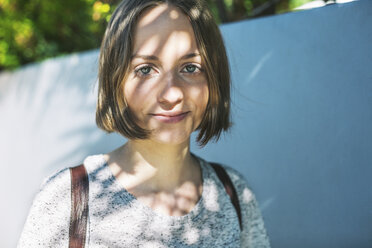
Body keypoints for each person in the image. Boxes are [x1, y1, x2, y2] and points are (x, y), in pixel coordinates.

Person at [18, 0, 270, 247]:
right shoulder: (66, 199)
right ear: (115, 82)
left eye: (190, 67)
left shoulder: (234, 193)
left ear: (214, 79)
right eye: (146, 70)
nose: (172, 94)